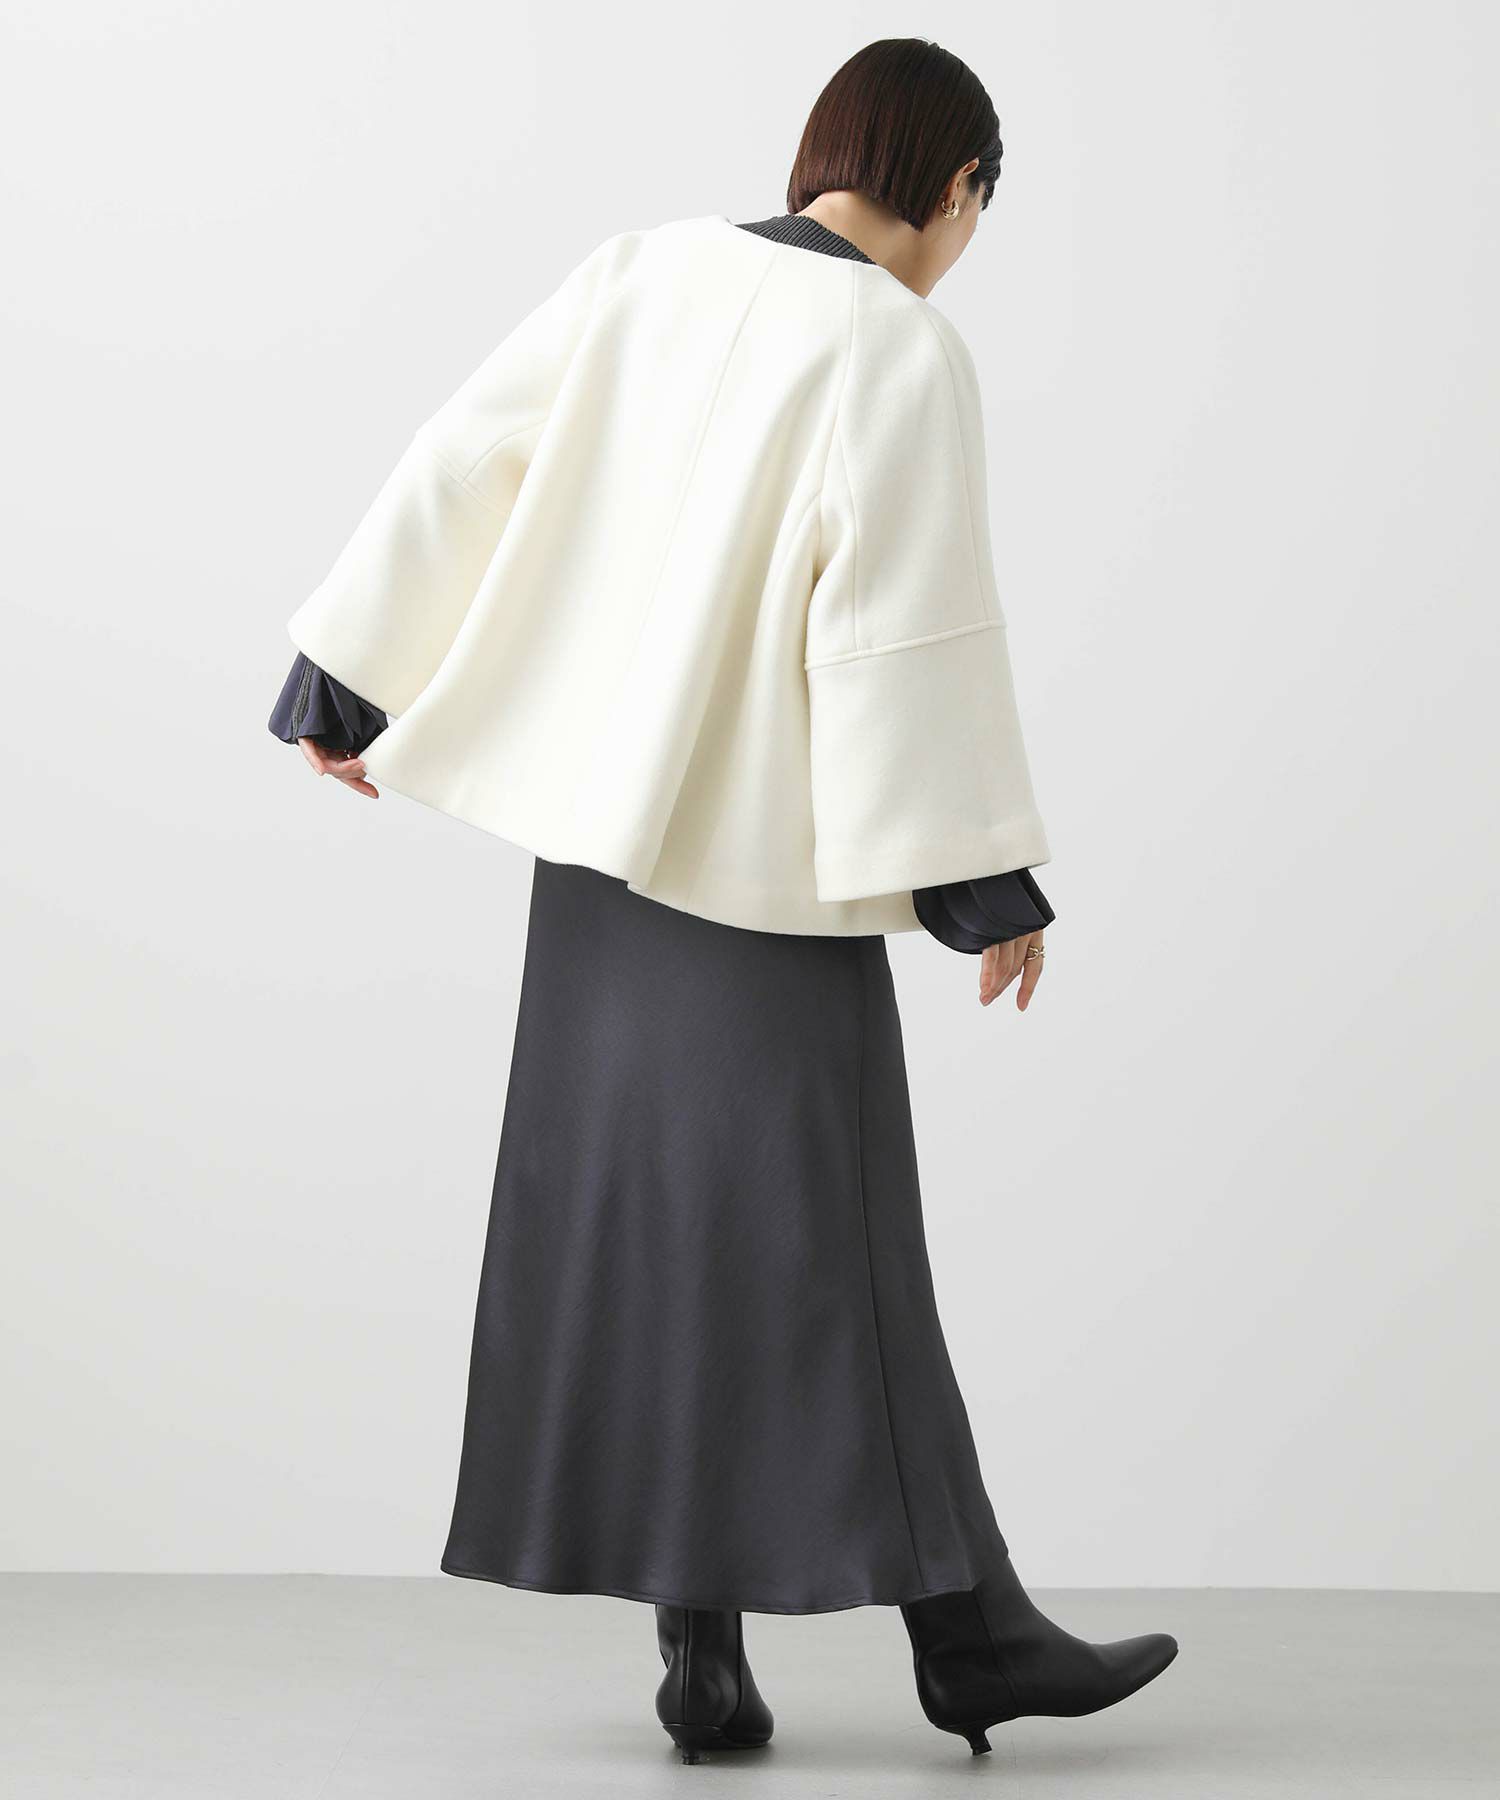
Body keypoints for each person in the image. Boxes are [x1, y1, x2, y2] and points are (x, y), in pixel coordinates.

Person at [268, 35, 1177, 1765]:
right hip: (759, 878)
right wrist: (979, 877)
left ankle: (706, 1660)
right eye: (977, 213)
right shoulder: (896, 346)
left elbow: (472, 457)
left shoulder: (642, 272)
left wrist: (345, 674)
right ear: (958, 186)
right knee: (834, 1252)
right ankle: (969, 1639)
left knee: (654, 1249)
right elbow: (900, 625)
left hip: (596, 874)